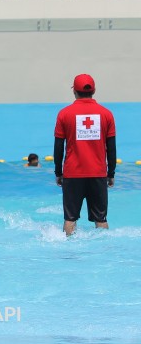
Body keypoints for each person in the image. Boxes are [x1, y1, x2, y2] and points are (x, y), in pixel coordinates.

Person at [54, 73, 116, 236]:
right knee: (101, 219)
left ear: (74, 91)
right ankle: (104, 254)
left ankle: (69, 256)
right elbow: (111, 147)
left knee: (70, 219)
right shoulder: (106, 114)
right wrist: (111, 173)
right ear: (94, 90)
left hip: (72, 173)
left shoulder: (64, 114)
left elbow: (58, 146)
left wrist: (58, 172)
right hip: (98, 173)